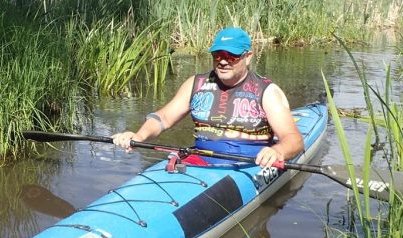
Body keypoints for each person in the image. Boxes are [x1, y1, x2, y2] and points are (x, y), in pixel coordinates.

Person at [111, 27, 304, 167]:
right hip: (201, 159)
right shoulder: (196, 84)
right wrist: (139, 136)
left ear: (248, 57)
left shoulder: (267, 92)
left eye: (231, 56)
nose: (223, 61)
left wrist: (278, 151)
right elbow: (164, 118)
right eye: (217, 55)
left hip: (251, 163)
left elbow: (294, 140)